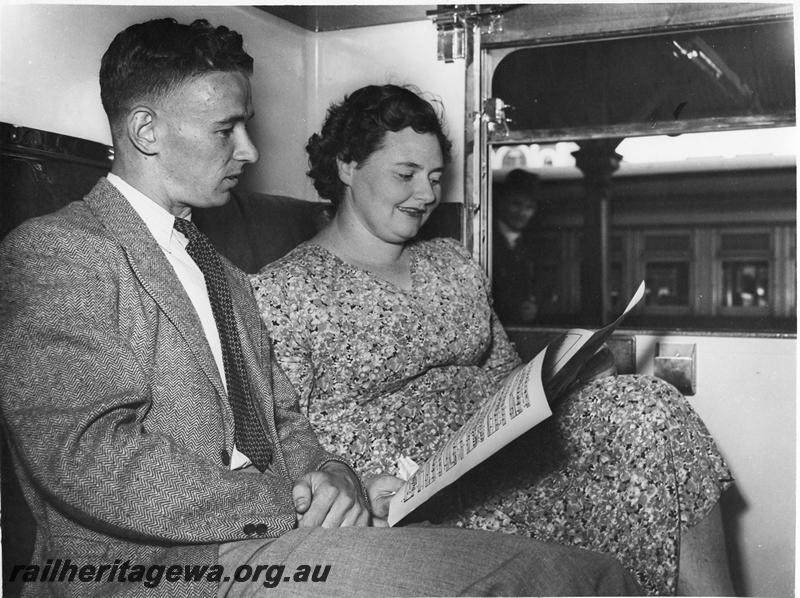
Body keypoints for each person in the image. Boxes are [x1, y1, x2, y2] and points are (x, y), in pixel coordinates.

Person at [0, 18, 644, 598]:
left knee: (583, 574)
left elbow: (283, 423)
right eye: (227, 129)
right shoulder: (63, 250)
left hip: (266, 541)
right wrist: (289, 500)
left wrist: (337, 475)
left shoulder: (220, 271)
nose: (249, 151)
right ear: (146, 131)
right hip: (161, 570)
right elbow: (88, 456)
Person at [250, 84, 735, 596]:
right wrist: (359, 486)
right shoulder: (286, 290)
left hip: (497, 457)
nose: (426, 195)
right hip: (407, 495)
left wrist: (565, 376)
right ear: (347, 166)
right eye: (406, 174)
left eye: (435, 178)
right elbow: (285, 437)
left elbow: (506, 377)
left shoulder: (452, 263)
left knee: (647, 405)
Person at [491, 169, 542, 325]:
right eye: (516, 204)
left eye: (529, 207)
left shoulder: (532, 245)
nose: (522, 213)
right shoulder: (485, 241)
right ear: (501, 202)